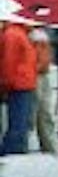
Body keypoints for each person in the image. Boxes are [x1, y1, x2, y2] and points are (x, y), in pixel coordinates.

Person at [0, 20, 38, 154]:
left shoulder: (17, 34)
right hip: (19, 85)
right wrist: (6, 85)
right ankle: (10, 152)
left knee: (19, 124)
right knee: (19, 125)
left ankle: (12, 151)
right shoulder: (15, 35)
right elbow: (8, 63)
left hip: (21, 84)